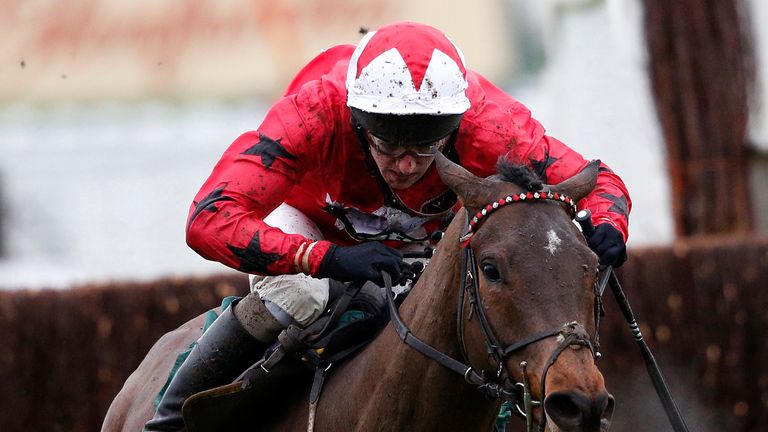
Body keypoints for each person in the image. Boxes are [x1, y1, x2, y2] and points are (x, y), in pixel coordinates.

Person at [144, 21, 631, 431]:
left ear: (456, 126)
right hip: (312, 226)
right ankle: (170, 419)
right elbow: (209, 218)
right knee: (303, 296)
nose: (404, 166)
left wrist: (610, 224)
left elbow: (600, 178)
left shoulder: (493, 124)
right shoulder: (313, 113)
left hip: (426, 241)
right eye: (387, 145)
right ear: (356, 119)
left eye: (426, 148)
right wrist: (325, 258)